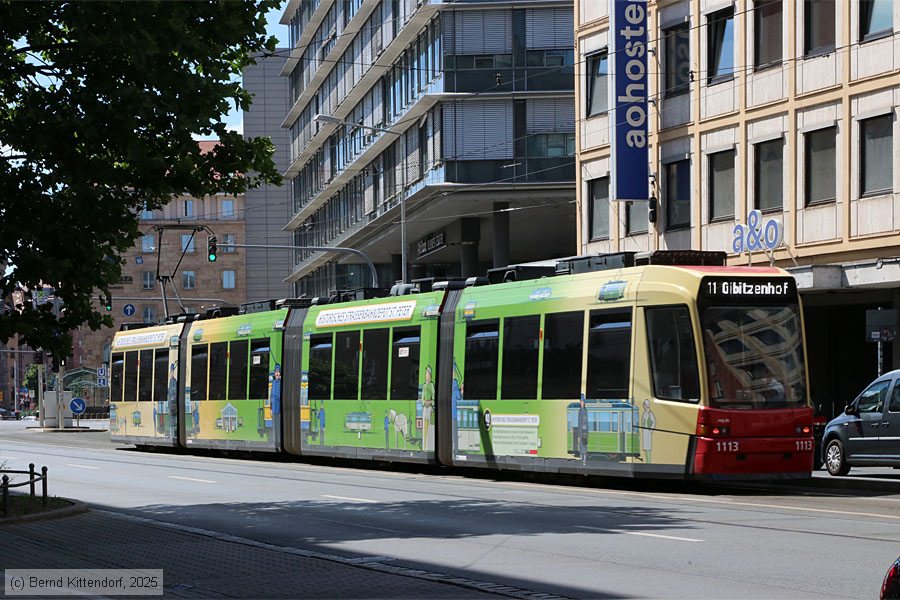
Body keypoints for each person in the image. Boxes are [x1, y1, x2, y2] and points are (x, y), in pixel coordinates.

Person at [421, 366, 435, 451]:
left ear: (430, 375)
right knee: (424, 427)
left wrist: (429, 402)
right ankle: (424, 447)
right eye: (425, 374)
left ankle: (429, 446)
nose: (426, 376)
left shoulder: (431, 385)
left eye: (427, 374)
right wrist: (424, 402)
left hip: (429, 408)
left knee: (429, 427)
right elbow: (422, 398)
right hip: (424, 409)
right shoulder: (424, 386)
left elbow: (433, 398)